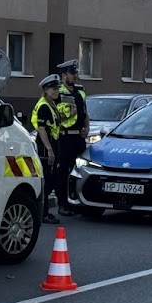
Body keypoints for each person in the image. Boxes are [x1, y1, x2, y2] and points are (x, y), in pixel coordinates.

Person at [55, 58, 89, 215]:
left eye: (76, 72)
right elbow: (55, 116)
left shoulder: (80, 90)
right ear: (63, 75)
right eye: (72, 73)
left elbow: (85, 113)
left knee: (78, 171)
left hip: (78, 138)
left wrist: (87, 128)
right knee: (62, 172)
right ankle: (62, 204)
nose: (75, 76)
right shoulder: (57, 92)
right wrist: (69, 114)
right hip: (64, 138)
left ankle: (75, 202)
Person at [32, 74, 65, 224]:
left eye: (57, 88)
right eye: (53, 89)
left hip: (53, 144)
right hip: (46, 147)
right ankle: (43, 213)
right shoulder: (44, 106)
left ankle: (44, 212)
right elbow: (42, 129)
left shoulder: (51, 104)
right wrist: (49, 150)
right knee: (48, 180)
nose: (56, 91)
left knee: (53, 178)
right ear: (45, 90)